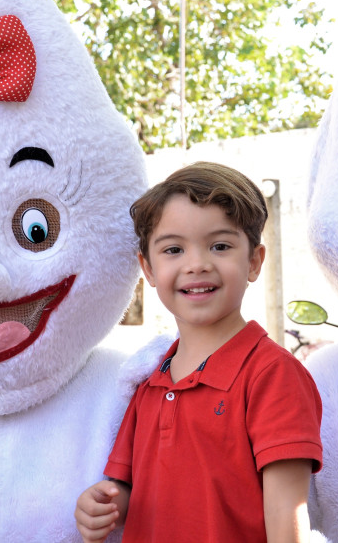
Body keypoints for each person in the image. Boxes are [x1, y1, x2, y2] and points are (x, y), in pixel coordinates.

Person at [75, 162, 323, 543]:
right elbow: (128, 489)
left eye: (220, 246)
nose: (197, 265)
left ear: (254, 261)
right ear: (149, 269)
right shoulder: (148, 382)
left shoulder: (273, 375)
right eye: (173, 249)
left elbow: (287, 516)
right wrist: (104, 505)